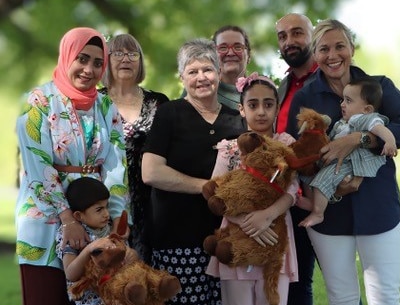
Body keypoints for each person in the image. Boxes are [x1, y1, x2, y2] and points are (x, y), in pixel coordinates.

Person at [286, 19, 400, 305]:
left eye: (340, 46)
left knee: (386, 296)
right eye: (324, 49)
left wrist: (360, 139)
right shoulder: (306, 97)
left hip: (378, 207)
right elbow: (298, 153)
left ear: (352, 49)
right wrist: (329, 187)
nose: (333, 55)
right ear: (315, 54)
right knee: (342, 297)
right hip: (329, 214)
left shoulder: (379, 87)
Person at [15, 27, 128, 305]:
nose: (89, 69)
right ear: (66, 57)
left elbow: (116, 167)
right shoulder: (39, 101)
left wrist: (117, 222)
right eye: (82, 59)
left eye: (97, 63)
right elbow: (36, 164)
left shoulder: (106, 107)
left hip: (96, 224)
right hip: (45, 218)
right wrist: (68, 220)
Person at [141, 38, 246, 305]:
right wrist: (206, 187)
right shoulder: (169, 114)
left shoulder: (237, 119)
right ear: (181, 77)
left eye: (207, 69)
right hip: (177, 239)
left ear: (219, 73)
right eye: (192, 71)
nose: (201, 77)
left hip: (227, 237)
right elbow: (151, 172)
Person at [206, 72, 298, 305]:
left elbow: (292, 190)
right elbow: (216, 192)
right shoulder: (229, 148)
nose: (260, 111)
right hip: (237, 234)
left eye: (268, 104)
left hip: (274, 234)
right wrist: (246, 221)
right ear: (241, 109)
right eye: (253, 104)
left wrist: (267, 216)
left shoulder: (285, 144)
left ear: (277, 108)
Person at [99, 33, 169, 263]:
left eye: (132, 54)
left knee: (147, 275)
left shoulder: (158, 102)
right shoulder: (94, 102)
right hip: (104, 201)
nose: (125, 59)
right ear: (107, 60)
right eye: (118, 53)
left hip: (151, 203)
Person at [299, 77, 398, 227]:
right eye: (343, 100)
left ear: (367, 109)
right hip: (334, 159)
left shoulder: (364, 119)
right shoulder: (341, 123)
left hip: (348, 163)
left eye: (348, 101)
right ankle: (313, 201)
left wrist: (390, 142)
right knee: (306, 170)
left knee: (322, 180)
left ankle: (318, 213)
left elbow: (381, 129)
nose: (342, 104)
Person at [275, 13, 319, 305]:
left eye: (297, 33)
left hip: (323, 198)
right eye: (282, 36)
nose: (289, 41)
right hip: (289, 201)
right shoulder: (282, 86)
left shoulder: (329, 79)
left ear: (312, 36)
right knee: (296, 284)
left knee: (343, 285)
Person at [55, 177, 137, 305]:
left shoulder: (110, 228)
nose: (106, 214)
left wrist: (132, 255)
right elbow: (70, 274)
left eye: (107, 207)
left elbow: (124, 255)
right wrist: (89, 249)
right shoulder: (71, 235)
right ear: (79, 216)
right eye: (99, 210)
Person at [180, 25, 251, 110]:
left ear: (249, 56)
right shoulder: (198, 87)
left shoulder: (261, 90)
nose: (230, 53)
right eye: (223, 48)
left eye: (238, 47)